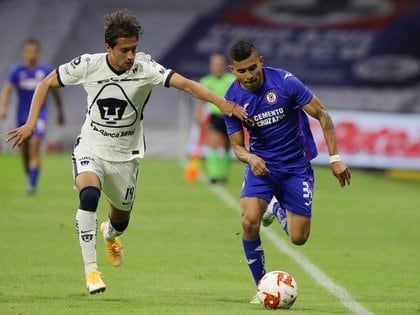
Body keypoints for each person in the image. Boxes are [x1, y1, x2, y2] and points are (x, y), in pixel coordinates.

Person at [6, 9, 246, 295]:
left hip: (126, 157)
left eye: (134, 49)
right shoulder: (88, 64)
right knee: (89, 194)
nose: (131, 55)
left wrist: (222, 103)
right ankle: (91, 270)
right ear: (108, 47)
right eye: (125, 50)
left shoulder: (145, 67)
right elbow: (47, 82)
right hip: (91, 146)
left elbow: (185, 83)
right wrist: (32, 122)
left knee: (121, 220)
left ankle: (111, 234)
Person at [223, 40, 351, 303]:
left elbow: (322, 114)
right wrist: (250, 157)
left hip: (296, 167)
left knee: (299, 238)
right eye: (241, 71)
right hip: (263, 168)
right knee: (248, 222)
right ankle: (261, 286)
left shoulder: (285, 82)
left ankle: (277, 209)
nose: (248, 75)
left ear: (261, 61)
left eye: (252, 68)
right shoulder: (231, 99)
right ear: (232, 70)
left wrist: (335, 158)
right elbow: (236, 147)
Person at [0, 39, 65, 194]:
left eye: (34, 51)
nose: (31, 54)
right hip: (21, 117)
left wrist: (60, 111)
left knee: (35, 149)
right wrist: (3, 107)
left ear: (38, 52)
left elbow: (56, 93)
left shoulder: (45, 71)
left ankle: (32, 185)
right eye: (28, 51)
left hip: (39, 117)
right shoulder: (17, 71)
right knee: (24, 154)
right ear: (24, 52)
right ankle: (31, 177)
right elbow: (7, 90)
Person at [192, 53, 235, 184]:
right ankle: (214, 175)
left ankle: (223, 174)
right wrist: (198, 113)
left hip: (230, 117)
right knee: (213, 145)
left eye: (220, 64)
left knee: (227, 147)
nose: (217, 67)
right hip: (215, 117)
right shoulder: (206, 81)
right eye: (215, 64)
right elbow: (200, 100)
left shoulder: (231, 80)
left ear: (224, 66)